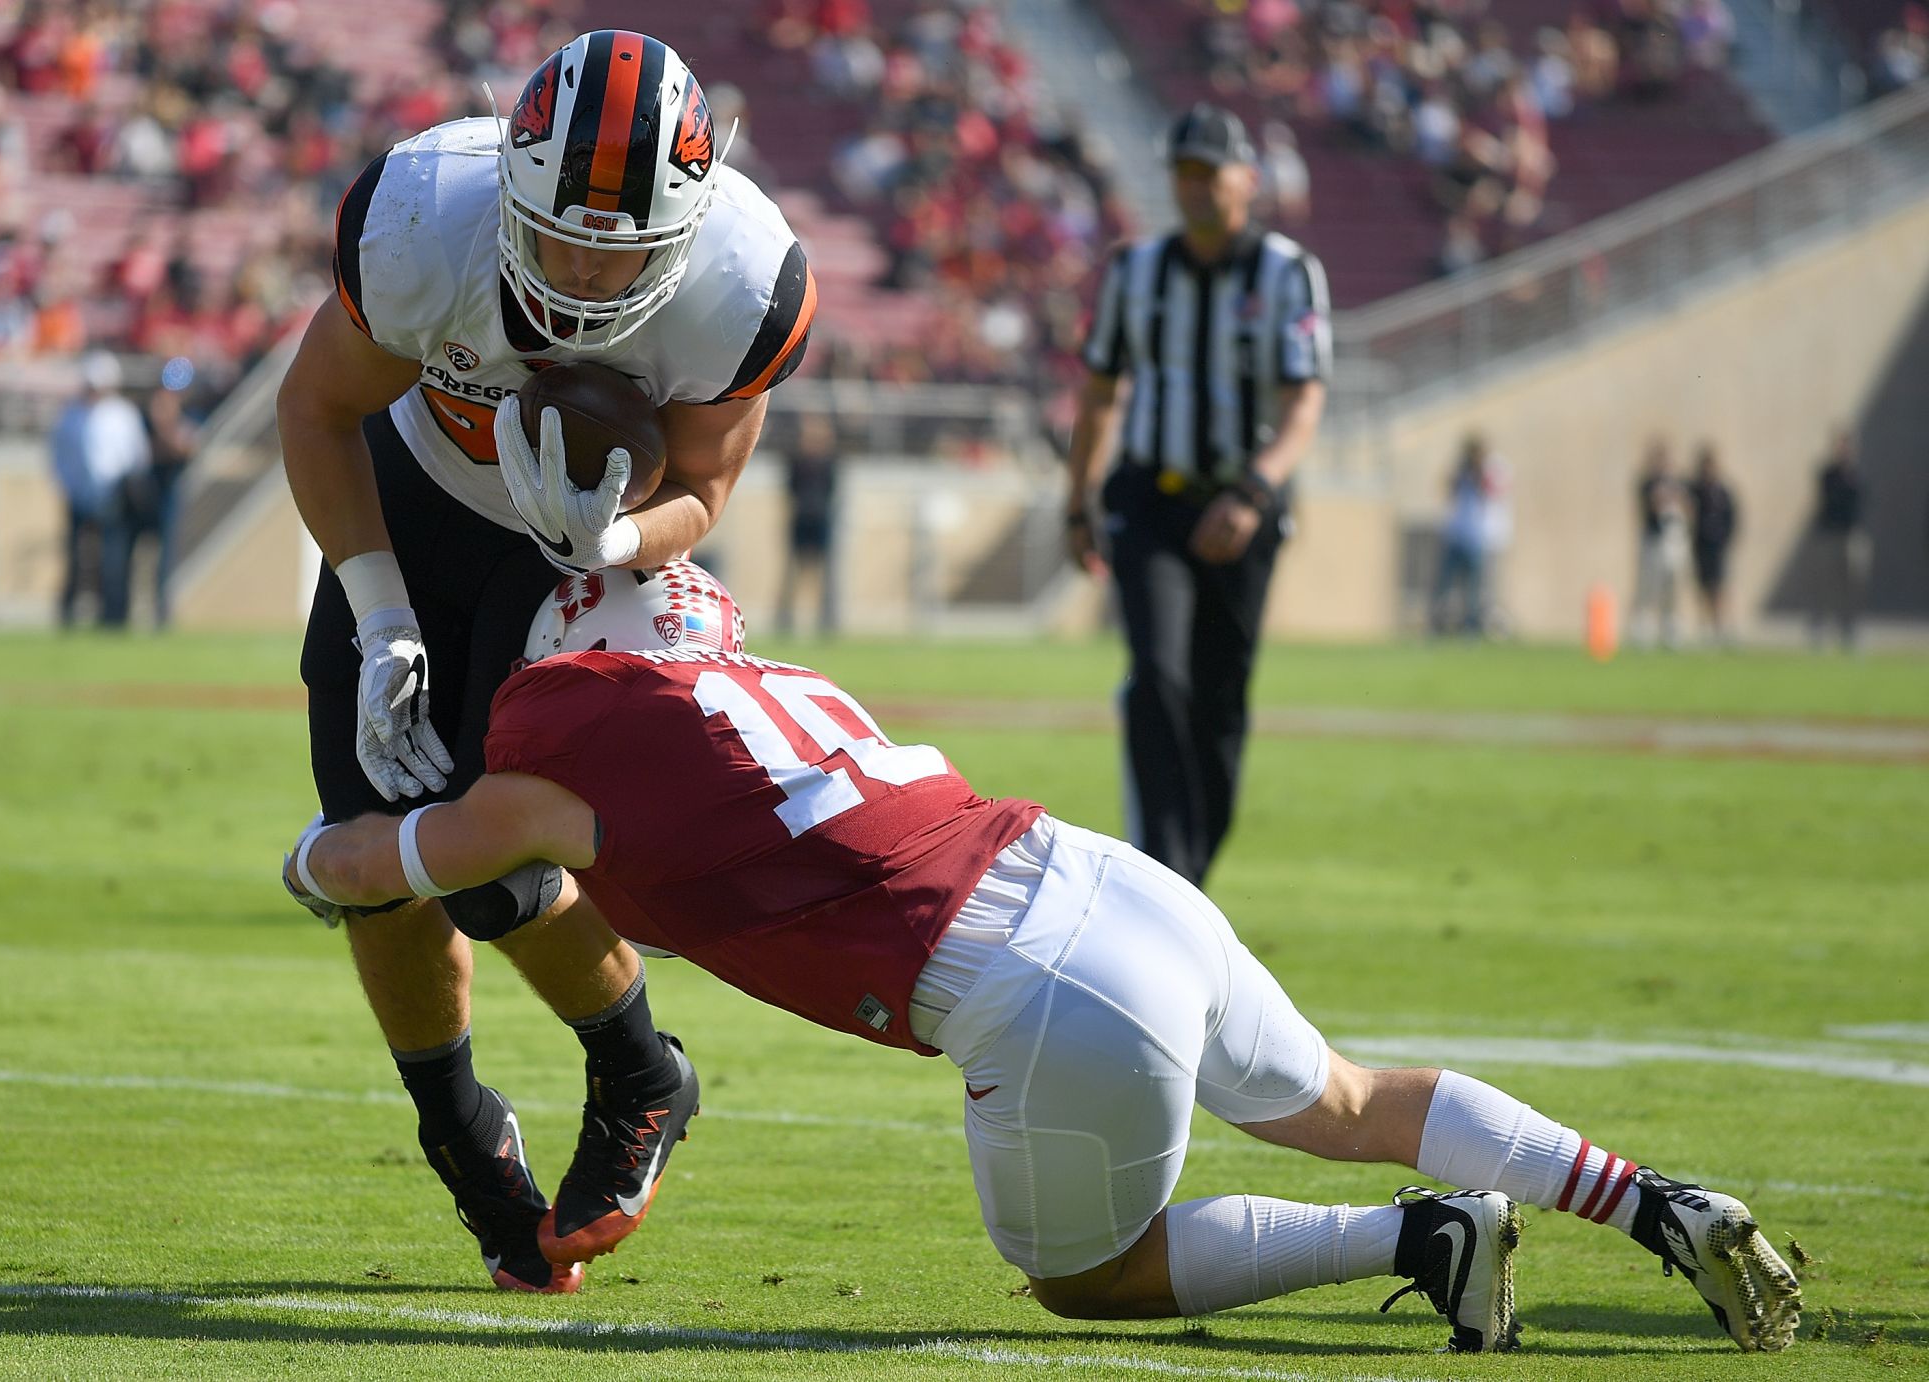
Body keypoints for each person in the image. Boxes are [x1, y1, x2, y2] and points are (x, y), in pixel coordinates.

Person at [281, 642, 1802, 1354]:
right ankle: (1651, 1196)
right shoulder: (744, 671)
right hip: (1102, 871)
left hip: (1031, 985)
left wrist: (315, 837)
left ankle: (1422, 1237)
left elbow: (368, 865)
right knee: (1343, 1094)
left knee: (1086, 1276)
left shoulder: (558, 757)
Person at [274, 28, 817, 1295]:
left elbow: (704, 488)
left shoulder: (742, 278)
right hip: (413, 494)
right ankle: (458, 1126)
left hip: (579, 544)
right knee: (373, 849)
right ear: (507, 175)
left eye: (619, 246)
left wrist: (616, 534)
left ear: (684, 227)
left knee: (480, 852)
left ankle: (637, 1066)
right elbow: (317, 406)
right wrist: (376, 605)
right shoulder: (425, 215)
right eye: (558, 228)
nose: (579, 270)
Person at [1063, 103, 1329, 886]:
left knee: (1220, 698)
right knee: (1158, 673)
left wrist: (1253, 491)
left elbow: (1302, 402)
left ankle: (1191, 877)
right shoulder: (1134, 272)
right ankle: (1162, 872)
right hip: (1151, 499)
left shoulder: (1286, 273)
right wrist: (1078, 497)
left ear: (1248, 178)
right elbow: (1102, 391)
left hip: (1245, 506)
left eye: (1210, 173)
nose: (1197, 189)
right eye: (1184, 173)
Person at [50, 351, 149, 629]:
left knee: (113, 559)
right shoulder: (71, 414)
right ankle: (68, 613)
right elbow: (59, 456)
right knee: (74, 558)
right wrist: (70, 487)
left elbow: (136, 456)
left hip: (113, 495)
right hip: (79, 496)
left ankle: (114, 615)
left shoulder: (123, 414)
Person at [132, 356, 200, 629]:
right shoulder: (157, 409)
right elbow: (175, 446)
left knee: (166, 552)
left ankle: (161, 609)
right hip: (153, 484)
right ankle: (154, 611)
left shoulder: (181, 410)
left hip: (168, 483)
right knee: (150, 547)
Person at [775, 410, 840, 637]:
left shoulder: (829, 461)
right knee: (793, 572)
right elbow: (790, 488)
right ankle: (785, 620)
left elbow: (832, 490)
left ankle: (827, 622)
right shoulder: (796, 460)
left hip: (821, 519)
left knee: (825, 573)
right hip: (801, 518)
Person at [1429, 434, 1498, 637]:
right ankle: (1438, 625)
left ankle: (1471, 627)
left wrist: (1478, 473)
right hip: (1456, 537)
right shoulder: (1460, 474)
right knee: (1445, 585)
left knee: (1472, 590)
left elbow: (1490, 493)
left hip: (1474, 540)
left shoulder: (1482, 475)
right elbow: (1447, 487)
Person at [1809, 428, 1870, 651]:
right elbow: (1827, 501)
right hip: (1829, 533)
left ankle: (1850, 629)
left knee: (1852, 584)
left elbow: (1860, 502)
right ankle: (1819, 628)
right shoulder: (1829, 474)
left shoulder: (1857, 473)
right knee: (1825, 583)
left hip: (1851, 533)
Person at [1629, 438, 1688, 649]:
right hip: (1653, 540)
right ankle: (1642, 627)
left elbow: (1685, 505)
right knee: (1649, 585)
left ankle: (1670, 627)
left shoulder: (1678, 482)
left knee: (1671, 585)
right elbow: (1651, 504)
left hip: (1673, 539)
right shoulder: (1648, 483)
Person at [1688, 443, 1737, 646]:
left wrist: (1726, 538)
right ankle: (1706, 627)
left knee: (1719, 587)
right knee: (1702, 587)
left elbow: (1732, 518)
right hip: (1700, 544)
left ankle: (1721, 627)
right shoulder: (1696, 490)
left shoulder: (1723, 492)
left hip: (1717, 546)